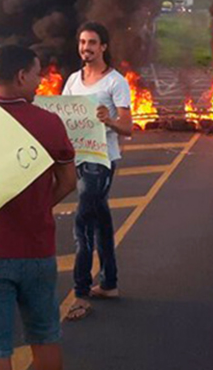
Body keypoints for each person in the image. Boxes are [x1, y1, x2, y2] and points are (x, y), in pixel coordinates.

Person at [0, 45, 77, 370]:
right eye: (37, 73)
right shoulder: (49, 122)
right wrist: (41, 205)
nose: (41, 81)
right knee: (45, 336)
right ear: (21, 76)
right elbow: (68, 181)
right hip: (37, 250)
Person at [62, 22, 133, 321]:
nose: (85, 48)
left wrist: (109, 120)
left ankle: (80, 292)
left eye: (92, 43)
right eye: (82, 42)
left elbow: (128, 128)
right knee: (101, 220)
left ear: (103, 46)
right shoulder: (73, 81)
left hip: (101, 160)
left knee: (83, 223)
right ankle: (109, 283)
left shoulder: (115, 82)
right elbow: (64, 114)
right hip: (78, 158)